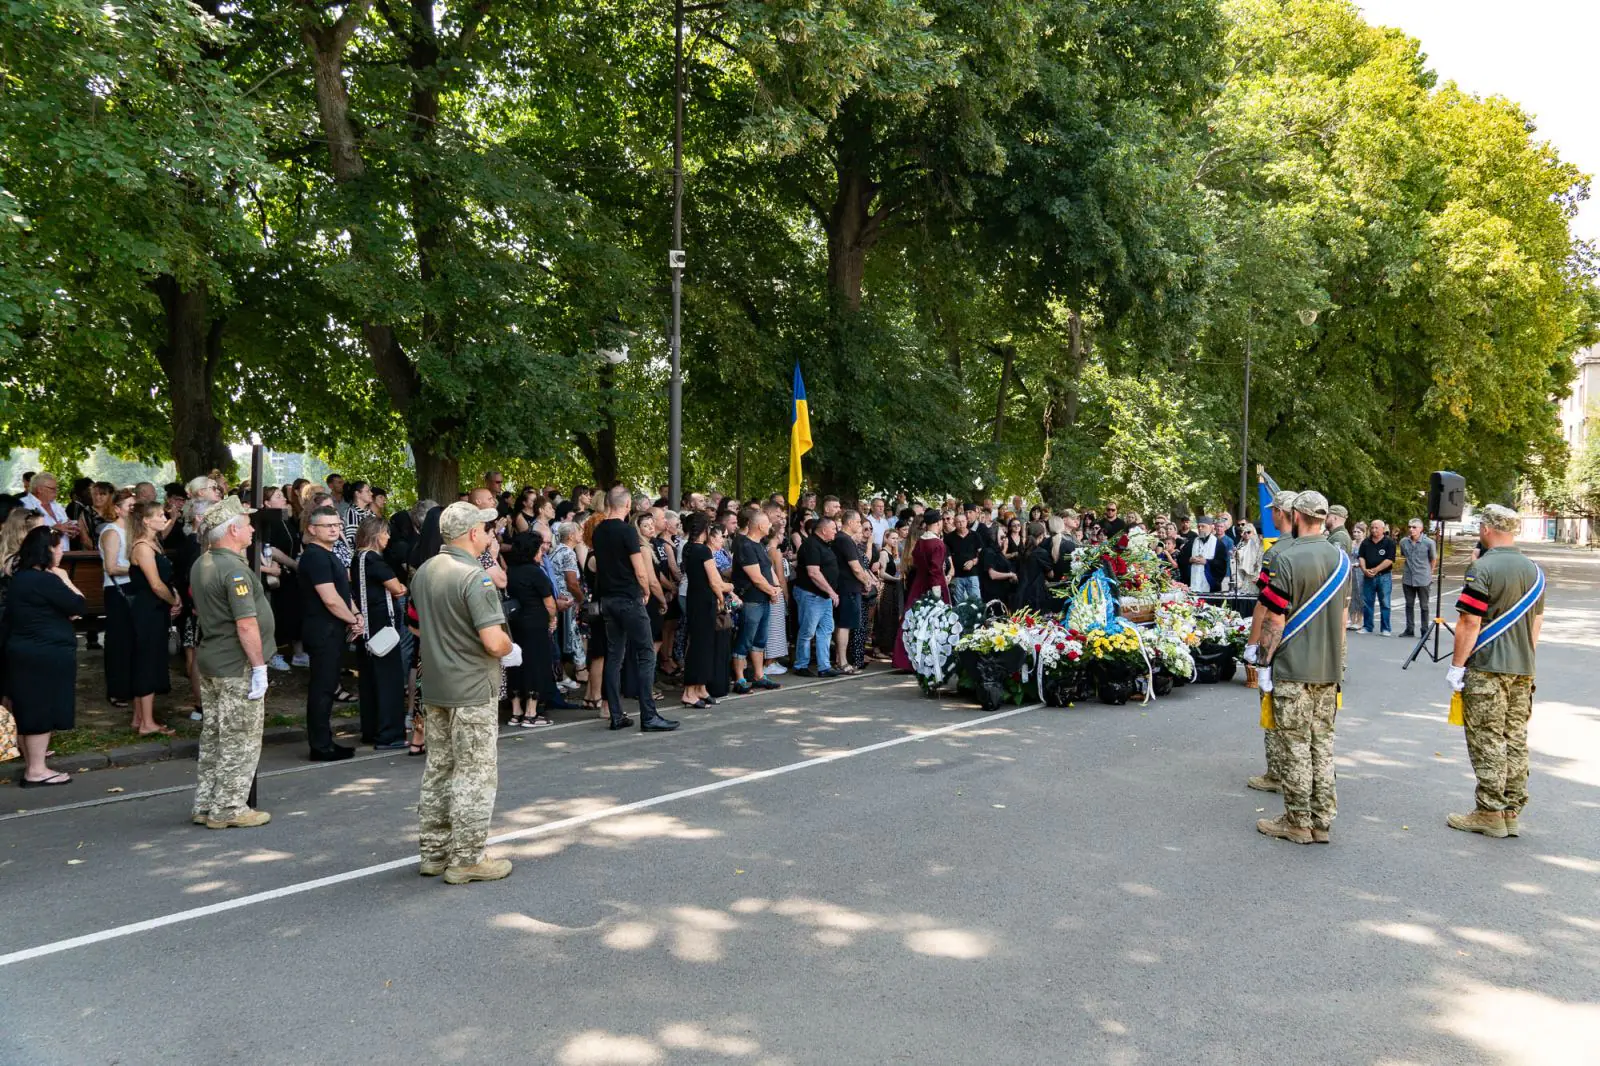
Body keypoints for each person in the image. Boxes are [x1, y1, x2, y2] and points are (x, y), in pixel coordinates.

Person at [410, 501, 515, 884]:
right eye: (487, 530)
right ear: (472, 533)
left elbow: (417, 628)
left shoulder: (425, 572)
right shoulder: (475, 577)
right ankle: (468, 857)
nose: (490, 536)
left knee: (439, 768)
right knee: (475, 772)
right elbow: (492, 640)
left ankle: (434, 853)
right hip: (471, 687)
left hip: (436, 684)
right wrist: (509, 648)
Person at [1253, 491, 1350, 845]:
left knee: (1295, 746)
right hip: (1327, 669)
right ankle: (1322, 821)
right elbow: (1342, 620)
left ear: (1296, 515)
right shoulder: (1341, 560)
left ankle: (1297, 821)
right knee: (1322, 747)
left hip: (1293, 668)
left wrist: (1263, 663)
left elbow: (1275, 620)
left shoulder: (1285, 558)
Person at [1444, 504, 1543, 839]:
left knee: (1487, 738)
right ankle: (1511, 809)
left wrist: (1457, 667)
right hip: (1522, 668)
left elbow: (1469, 621)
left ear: (1486, 529)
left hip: (1488, 667)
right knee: (1514, 738)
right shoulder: (1534, 570)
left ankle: (1489, 811)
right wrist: (1524, 660)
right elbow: (1536, 625)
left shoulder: (1482, 568)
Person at [187, 498, 274, 828]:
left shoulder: (204, 562)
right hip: (236, 665)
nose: (252, 528)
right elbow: (246, 623)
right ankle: (229, 807)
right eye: (247, 523)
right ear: (233, 530)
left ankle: (206, 803)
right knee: (241, 737)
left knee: (214, 737)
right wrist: (260, 667)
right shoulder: (234, 569)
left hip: (213, 660)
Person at [5, 526, 85, 787]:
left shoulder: (21, 578)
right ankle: (37, 770)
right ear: (46, 550)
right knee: (41, 708)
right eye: (58, 546)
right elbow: (77, 605)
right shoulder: (47, 579)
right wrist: (64, 576)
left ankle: (32, 765)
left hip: (24, 650)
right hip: (46, 652)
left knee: (29, 707)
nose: (61, 551)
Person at [593, 487, 678, 732]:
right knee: (645, 654)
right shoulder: (627, 532)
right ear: (628, 504)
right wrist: (646, 590)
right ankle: (649, 715)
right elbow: (640, 569)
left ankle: (616, 715)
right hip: (629, 598)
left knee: (614, 655)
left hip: (608, 599)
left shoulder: (599, 531)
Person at [1243, 489, 1301, 793]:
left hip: (1277, 638)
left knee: (1272, 703)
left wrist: (1253, 644)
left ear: (1283, 513)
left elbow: (1264, 605)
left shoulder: (1277, 552)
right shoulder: (1320, 549)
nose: (1272, 515)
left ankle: (1276, 772)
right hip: (1304, 640)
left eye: (1274, 510)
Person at [299, 505, 362, 760]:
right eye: (328, 525)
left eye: (337, 524)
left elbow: (343, 593)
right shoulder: (315, 556)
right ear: (313, 529)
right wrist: (353, 620)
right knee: (323, 688)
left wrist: (356, 614)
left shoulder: (330, 553)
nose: (335, 529)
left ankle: (326, 741)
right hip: (322, 630)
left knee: (328, 686)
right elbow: (330, 599)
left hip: (333, 628)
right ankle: (320, 746)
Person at [353, 516, 409, 748]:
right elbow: (398, 589)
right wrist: (401, 589)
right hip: (382, 626)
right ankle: (390, 734)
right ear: (376, 534)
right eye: (385, 533)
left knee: (369, 680)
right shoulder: (375, 560)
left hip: (367, 626)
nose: (388, 537)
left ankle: (372, 729)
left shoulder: (358, 559)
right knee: (389, 681)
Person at [126, 501, 179, 735]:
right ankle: (147, 722)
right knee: (147, 661)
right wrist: (173, 600)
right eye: (158, 515)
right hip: (146, 610)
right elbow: (156, 585)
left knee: (150, 659)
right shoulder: (143, 547)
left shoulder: (154, 543)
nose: (163, 517)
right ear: (146, 521)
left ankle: (140, 718)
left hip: (155, 609)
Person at [504, 530, 566, 726]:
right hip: (536, 622)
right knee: (535, 665)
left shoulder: (510, 571)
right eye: (540, 549)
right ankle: (531, 712)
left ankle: (516, 711)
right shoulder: (535, 572)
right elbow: (549, 603)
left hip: (515, 622)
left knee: (515, 664)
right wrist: (552, 619)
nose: (542, 552)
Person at [680, 512, 730, 707]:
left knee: (702, 645)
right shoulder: (703, 551)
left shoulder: (687, 548)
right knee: (700, 647)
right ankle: (689, 691)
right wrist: (729, 589)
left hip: (694, 598)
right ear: (704, 529)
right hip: (704, 601)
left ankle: (700, 687)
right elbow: (715, 581)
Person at [730, 508, 781, 694]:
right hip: (751, 600)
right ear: (760, 525)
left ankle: (759, 675)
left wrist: (775, 589)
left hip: (763, 599)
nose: (770, 526)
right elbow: (756, 577)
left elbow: (767, 572)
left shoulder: (758, 544)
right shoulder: (745, 546)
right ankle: (740, 678)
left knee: (760, 639)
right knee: (745, 639)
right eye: (767, 523)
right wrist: (772, 591)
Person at [892, 511, 949, 671]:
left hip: (918, 583)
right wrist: (937, 594)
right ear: (937, 523)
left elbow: (917, 560)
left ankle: (905, 659)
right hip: (933, 585)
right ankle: (933, 658)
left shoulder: (920, 542)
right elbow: (936, 570)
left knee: (913, 619)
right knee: (934, 622)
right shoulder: (937, 544)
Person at [792, 515, 842, 678]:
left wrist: (830, 592)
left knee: (826, 629)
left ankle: (824, 666)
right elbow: (813, 573)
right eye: (833, 528)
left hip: (824, 596)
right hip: (812, 595)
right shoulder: (811, 545)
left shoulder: (825, 545)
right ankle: (801, 665)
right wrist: (831, 591)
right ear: (824, 530)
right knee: (808, 631)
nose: (836, 531)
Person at [99, 489, 136, 709]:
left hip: (133, 588)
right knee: (119, 642)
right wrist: (138, 569)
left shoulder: (133, 530)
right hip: (117, 590)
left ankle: (131, 686)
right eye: (129, 505)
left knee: (132, 640)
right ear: (117, 509)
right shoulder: (111, 532)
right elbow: (111, 566)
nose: (133, 509)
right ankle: (117, 690)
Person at [1397, 518, 1438, 638]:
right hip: (1408, 578)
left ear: (1421, 529)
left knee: (1424, 606)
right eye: (1410, 527)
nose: (1411, 529)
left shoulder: (1429, 543)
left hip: (1423, 578)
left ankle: (1424, 630)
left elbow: (1433, 559)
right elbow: (1404, 555)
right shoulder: (1404, 542)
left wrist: (1429, 573)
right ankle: (1409, 629)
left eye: (1414, 527)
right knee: (1409, 604)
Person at [1358, 519, 1396, 635]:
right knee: (1367, 602)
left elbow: (1389, 560)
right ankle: (1367, 626)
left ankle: (1385, 628)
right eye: (1372, 528)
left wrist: (1375, 570)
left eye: (1377, 528)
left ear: (1383, 529)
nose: (1374, 530)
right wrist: (1364, 569)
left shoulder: (1389, 543)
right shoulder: (1365, 542)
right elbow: (1361, 557)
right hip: (1368, 576)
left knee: (1385, 602)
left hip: (1384, 576)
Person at [1177, 516, 1232, 595]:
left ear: (1210, 527)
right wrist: (1189, 560)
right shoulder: (1191, 542)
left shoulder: (1218, 544)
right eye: (1198, 526)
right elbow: (1181, 558)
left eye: (1203, 526)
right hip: (1192, 584)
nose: (1200, 529)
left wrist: (1206, 562)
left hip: (1209, 586)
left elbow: (1222, 564)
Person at [943, 509, 983, 605]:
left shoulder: (975, 535)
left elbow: (981, 553)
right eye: (958, 522)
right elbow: (946, 556)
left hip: (973, 574)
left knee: (976, 603)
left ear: (967, 522)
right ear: (954, 523)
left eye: (963, 521)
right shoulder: (949, 538)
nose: (961, 524)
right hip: (957, 576)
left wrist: (973, 562)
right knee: (959, 605)